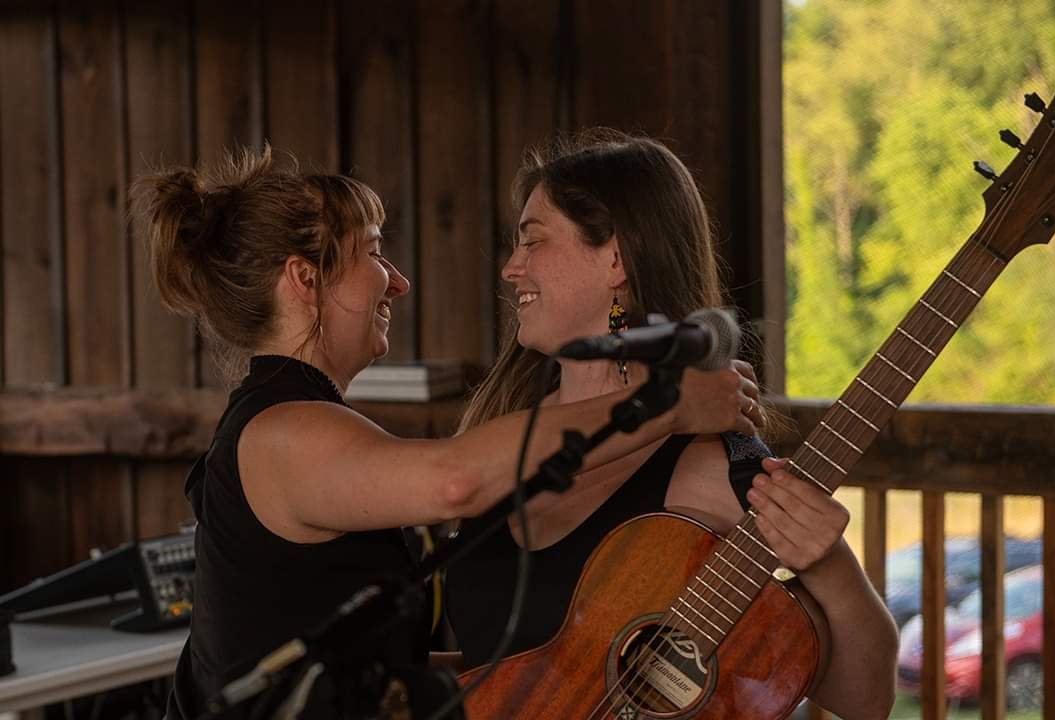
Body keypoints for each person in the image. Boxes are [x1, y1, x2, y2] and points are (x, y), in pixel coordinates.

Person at [128, 144, 761, 719]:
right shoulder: (283, 432)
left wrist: (558, 677)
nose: (397, 281)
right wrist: (671, 405)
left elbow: (366, 673)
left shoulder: (302, 420)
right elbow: (454, 480)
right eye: (374, 252)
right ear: (305, 279)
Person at [443, 130, 899, 718]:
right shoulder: (505, 433)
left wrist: (830, 564)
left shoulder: (709, 463)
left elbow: (865, 700)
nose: (511, 268)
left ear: (616, 259)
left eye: (532, 243)